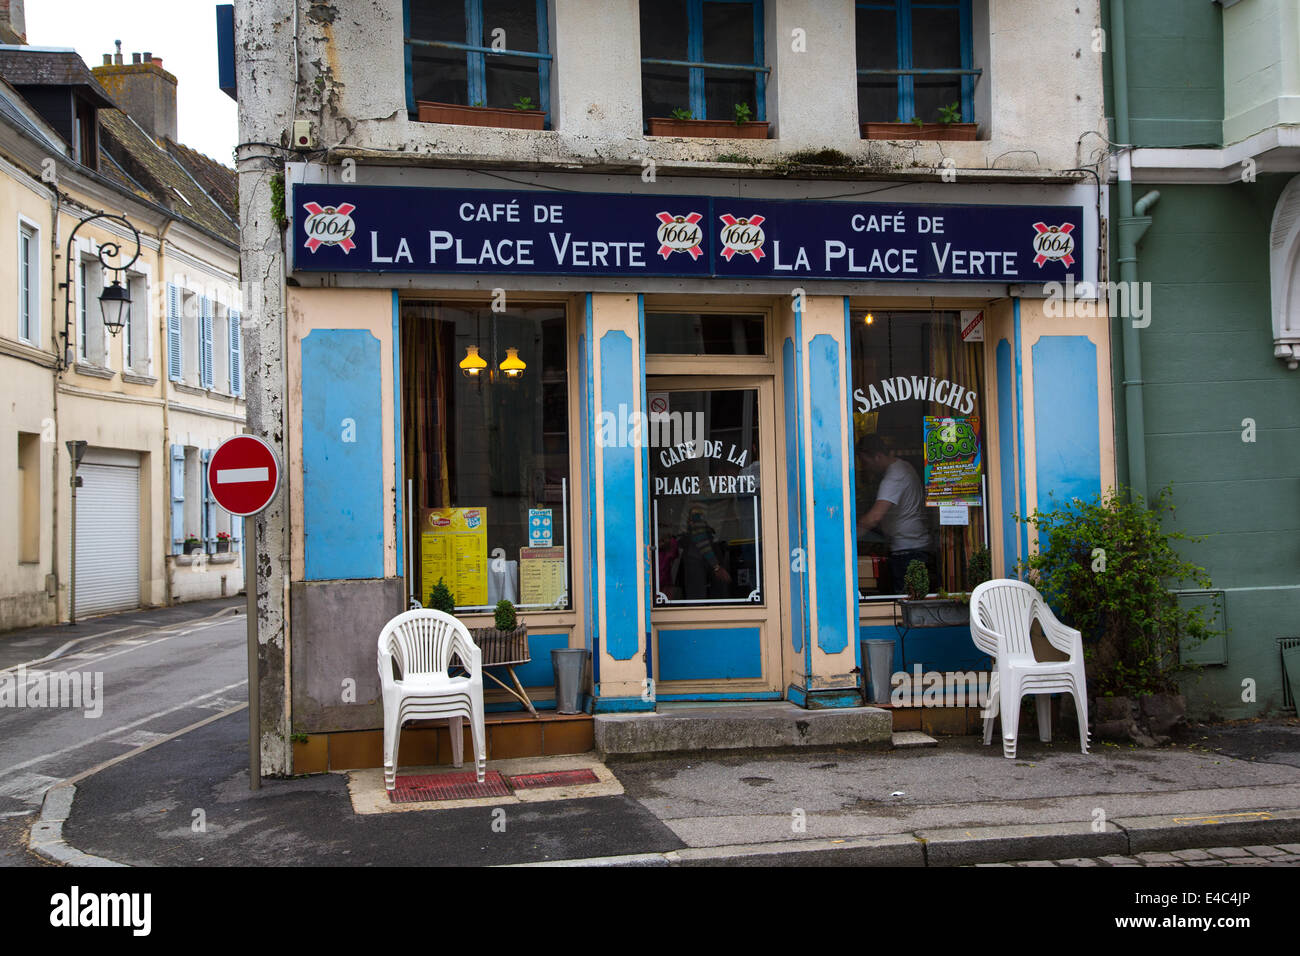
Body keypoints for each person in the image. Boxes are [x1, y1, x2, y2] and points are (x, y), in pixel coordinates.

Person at [856, 434, 936, 594]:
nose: (865, 467)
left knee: (906, 602)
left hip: (909, 551)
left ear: (878, 456)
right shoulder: (902, 468)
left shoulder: (894, 477)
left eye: (865, 462)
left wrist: (848, 541)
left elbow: (874, 517)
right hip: (911, 548)